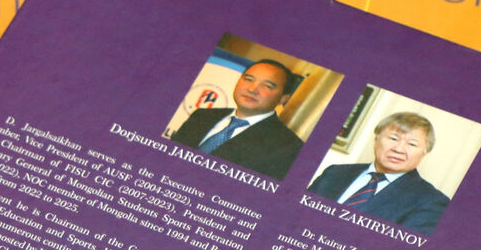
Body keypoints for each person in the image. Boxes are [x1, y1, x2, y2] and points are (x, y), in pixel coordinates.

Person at [306, 111, 451, 234]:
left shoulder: (432, 202)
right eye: (393, 138)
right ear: (376, 141)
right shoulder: (334, 173)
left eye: (412, 144)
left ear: (424, 153)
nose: (399, 149)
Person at [168, 56, 307, 180]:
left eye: (267, 86)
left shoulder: (289, 147)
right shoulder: (202, 115)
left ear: (283, 98)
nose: (252, 89)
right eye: (248, 79)